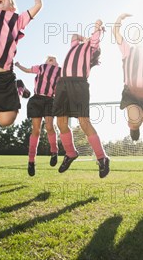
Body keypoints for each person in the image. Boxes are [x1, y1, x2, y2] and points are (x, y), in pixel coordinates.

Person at [52, 20, 110, 178]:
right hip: (62, 84)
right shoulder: (75, 45)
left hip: (79, 84)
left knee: (83, 121)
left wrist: (97, 28)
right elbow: (74, 35)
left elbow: (96, 38)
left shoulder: (91, 48)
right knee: (60, 122)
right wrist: (83, 37)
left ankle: (102, 157)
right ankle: (70, 153)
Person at [113, 12, 143, 141]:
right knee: (135, 120)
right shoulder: (127, 50)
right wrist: (118, 20)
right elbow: (116, 33)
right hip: (131, 93)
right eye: (136, 33)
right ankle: (134, 127)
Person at [15, 56, 62, 176]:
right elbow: (27, 70)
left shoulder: (60, 71)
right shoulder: (40, 67)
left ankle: (54, 151)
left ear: (57, 64)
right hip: (36, 100)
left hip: (50, 100)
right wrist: (19, 65)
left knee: (49, 126)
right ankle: (31, 161)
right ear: (45, 62)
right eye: (49, 59)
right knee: (36, 130)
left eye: (54, 59)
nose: (51, 59)